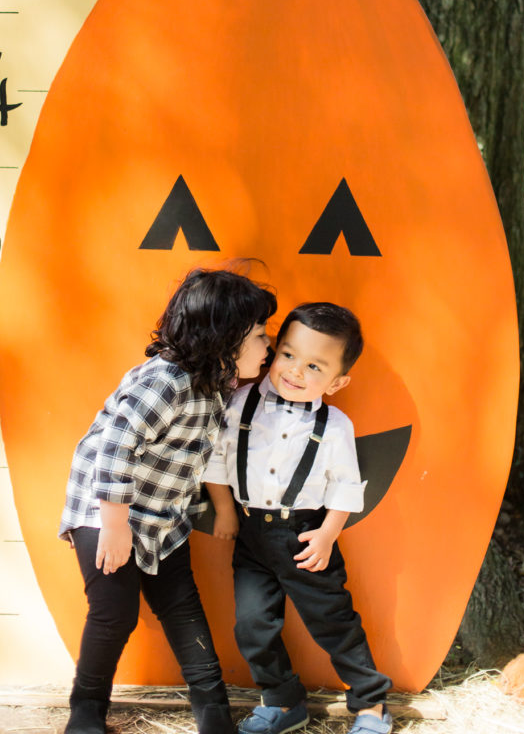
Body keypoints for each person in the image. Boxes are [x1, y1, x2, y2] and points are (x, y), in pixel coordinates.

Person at [59, 267, 277, 734]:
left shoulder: (218, 386)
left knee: (182, 606)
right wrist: (115, 527)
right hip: (106, 510)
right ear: (225, 339)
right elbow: (115, 446)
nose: (268, 347)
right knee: (114, 614)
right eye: (260, 336)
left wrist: (220, 508)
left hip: (163, 517)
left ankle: (214, 712)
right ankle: (86, 709)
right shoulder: (166, 382)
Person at [205, 302, 393, 734]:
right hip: (251, 534)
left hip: (306, 535)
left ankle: (371, 704)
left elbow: (345, 486)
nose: (294, 371)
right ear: (274, 351)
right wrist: (224, 510)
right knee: (253, 624)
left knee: (333, 622)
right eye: (288, 355)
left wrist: (328, 535)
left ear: (338, 381)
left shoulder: (336, 426)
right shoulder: (238, 403)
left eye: (314, 366)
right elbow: (216, 459)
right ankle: (283, 699)